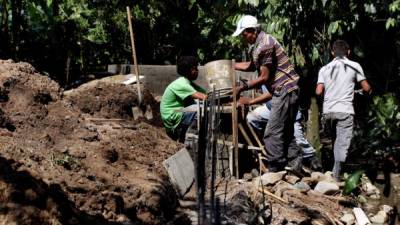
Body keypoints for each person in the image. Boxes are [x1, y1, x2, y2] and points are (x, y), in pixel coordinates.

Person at [232, 15, 302, 172]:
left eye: (244, 34)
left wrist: (241, 88)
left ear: (252, 31)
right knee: (286, 131)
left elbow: (263, 77)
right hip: (289, 89)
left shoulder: (265, 46)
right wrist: (231, 65)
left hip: (284, 90)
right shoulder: (259, 45)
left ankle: (275, 169)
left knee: (271, 133)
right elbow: (252, 66)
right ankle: (295, 165)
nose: (244, 38)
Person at [316, 40, 371, 179]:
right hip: (345, 111)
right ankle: (336, 175)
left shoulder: (324, 68)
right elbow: (367, 88)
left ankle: (334, 172)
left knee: (336, 141)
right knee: (341, 144)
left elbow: (318, 91)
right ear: (348, 52)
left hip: (328, 112)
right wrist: (358, 92)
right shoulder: (354, 66)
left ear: (333, 53)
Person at [160, 56, 207, 142]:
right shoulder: (182, 84)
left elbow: (206, 93)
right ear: (192, 70)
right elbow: (204, 97)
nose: (197, 71)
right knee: (200, 111)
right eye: (196, 69)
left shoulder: (187, 82)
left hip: (177, 111)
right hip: (172, 115)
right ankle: (188, 137)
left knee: (197, 105)